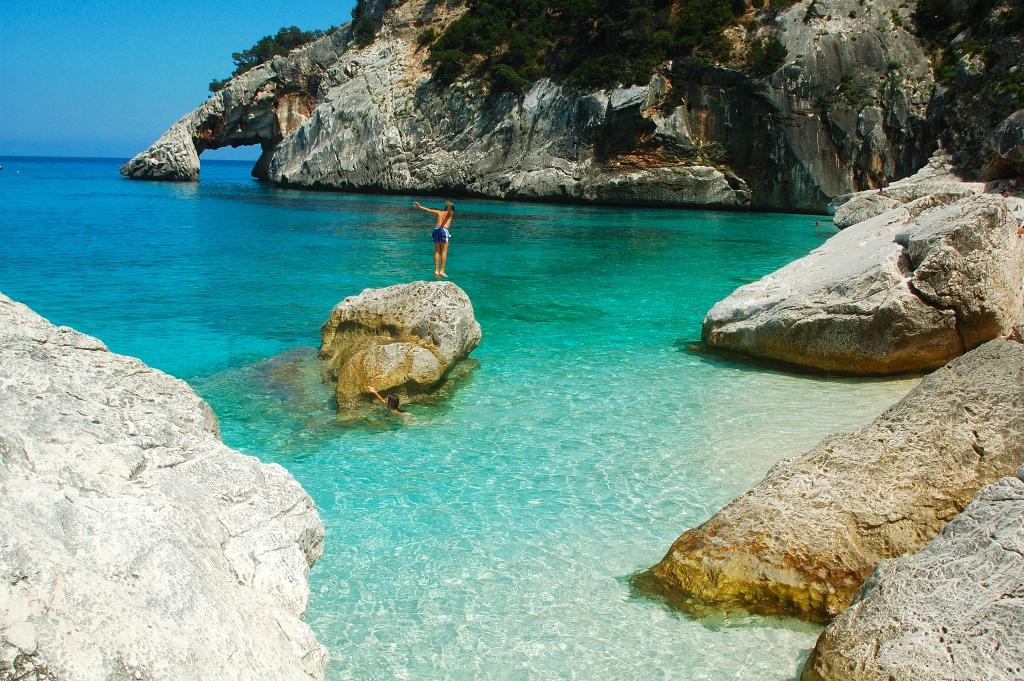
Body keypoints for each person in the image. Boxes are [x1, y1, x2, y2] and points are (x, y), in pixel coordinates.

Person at [413, 200, 455, 277]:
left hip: (435, 230)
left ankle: (436, 271)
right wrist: (449, 205)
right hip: (443, 230)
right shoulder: (451, 213)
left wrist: (419, 207)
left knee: (437, 251)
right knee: (444, 251)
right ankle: (442, 271)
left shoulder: (439, 212)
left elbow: (429, 210)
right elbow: (450, 211)